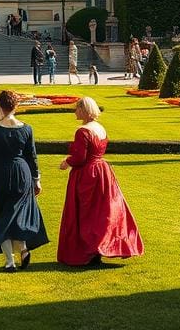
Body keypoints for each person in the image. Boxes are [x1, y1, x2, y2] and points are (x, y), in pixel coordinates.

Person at [57, 96, 144, 267]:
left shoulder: (82, 131)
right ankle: (100, 247)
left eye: (77, 109)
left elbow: (80, 157)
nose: (75, 111)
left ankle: (89, 249)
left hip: (87, 174)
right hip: (103, 172)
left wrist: (67, 162)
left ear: (83, 110)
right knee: (103, 212)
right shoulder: (100, 128)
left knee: (86, 213)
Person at [0, 89, 49, 271]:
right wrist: (36, 179)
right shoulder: (26, 128)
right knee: (18, 213)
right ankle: (24, 249)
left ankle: (10, 261)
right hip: (22, 173)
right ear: (16, 105)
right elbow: (32, 156)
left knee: (1, 215)